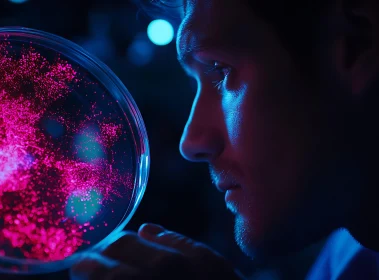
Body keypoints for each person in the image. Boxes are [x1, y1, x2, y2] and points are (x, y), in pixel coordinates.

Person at [69, 0, 379, 279]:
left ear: (356, 43)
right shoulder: (344, 264)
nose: (191, 143)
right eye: (197, 84)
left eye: (221, 71)